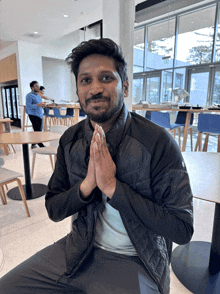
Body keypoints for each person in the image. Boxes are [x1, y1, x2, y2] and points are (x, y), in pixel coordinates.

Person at [0, 39, 193, 294]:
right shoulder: (71, 140)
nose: (95, 89)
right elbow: (54, 208)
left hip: (136, 260)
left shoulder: (157, 142)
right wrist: (86, 186)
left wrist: (113, 188)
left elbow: (181, 228)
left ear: (124, 87)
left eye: (106, 78)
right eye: (85, 80)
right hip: (78, 250)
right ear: (78, 91)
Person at [25, 81, 47, 149]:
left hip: (39, 114)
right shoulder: (29, 96)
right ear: (32, 88)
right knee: (37, 130)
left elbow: (39, 104)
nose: (38, 87)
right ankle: (40, 144)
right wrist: (38, 105)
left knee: (38, 130)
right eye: (36, 86)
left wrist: (42, 105)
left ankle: (33, 144)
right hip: (33, 115)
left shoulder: (38, 95)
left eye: (38, 86)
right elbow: (28, 106)